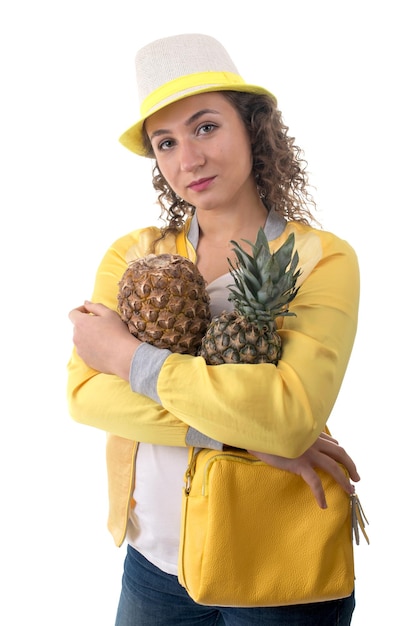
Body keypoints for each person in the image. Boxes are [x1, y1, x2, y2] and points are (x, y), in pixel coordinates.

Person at [67, 33, 361, 625]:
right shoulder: (135, 257)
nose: (188, 160)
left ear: (253, 128)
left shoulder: (320, 259)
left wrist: (127, 357)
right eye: (166, 143)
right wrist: (243, 436)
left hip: (277, 563)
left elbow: (290, 416)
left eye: (206, 128)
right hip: (153, 566)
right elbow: (85, 396)